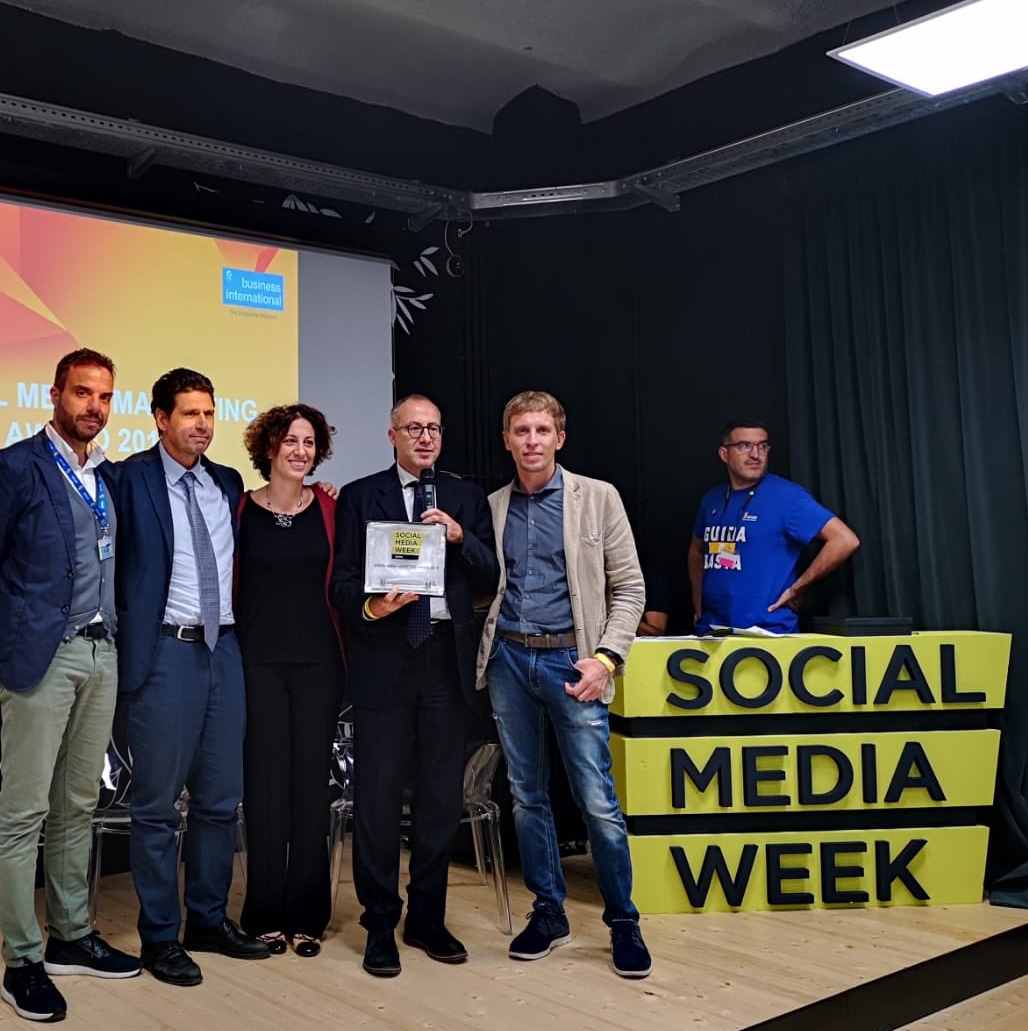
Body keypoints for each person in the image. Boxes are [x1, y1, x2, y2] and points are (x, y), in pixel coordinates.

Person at [0, 348, 141, 1023]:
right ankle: (21, 962)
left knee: (77, 805)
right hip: (40, 660)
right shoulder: (15, 467)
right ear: (55, 394)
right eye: (83, 392)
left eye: (105, 396)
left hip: (101, 655)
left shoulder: (110, 476)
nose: (95, 406)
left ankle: (71, 938)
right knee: (24, 813)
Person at [475, 390, 651, 978]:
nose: (532, 441)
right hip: (509, 661)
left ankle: (623, 921)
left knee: (596, 799)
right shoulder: (493, 506)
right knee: (526, 795)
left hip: (575, 664)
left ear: (560, 438)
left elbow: (630, 588)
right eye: (521, 431)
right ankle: (549, 912)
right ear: (507, 440)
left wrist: (606, 659)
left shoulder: (597, 498)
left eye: (542, 430)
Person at [330, 394, 498, 977]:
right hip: (385, 657)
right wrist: (373, 606)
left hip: (445, 662)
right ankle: (379, 922)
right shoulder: (360, 496)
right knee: (376, 797)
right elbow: (341, 583)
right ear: (392, 436)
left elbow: (491, 573)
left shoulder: (465, 497)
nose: (425, 438)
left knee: (439, 798)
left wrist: (460, 537)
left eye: (433, 429)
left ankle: (427, 918)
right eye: (413, 429)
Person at [111, 368, 270, 986]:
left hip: (224, 650)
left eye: (208, 413)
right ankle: (159, 937)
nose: (202, 424)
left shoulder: (226, 482)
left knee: (220, 800)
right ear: (160, 418)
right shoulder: (129, 479)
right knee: (156, 807)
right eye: (189, 414)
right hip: (165, 653)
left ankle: (207, 920)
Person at [235, 403, 344, 958]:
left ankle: (307, 915)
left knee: (310, 788)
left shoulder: (330, 507)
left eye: (309, 442)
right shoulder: (238, 508)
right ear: (270, 447)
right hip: (255, 664)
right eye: (291, 440)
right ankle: (262, 913)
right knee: (264, 788)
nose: (300, 451)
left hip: (319, 664)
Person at [689, 421, 860, 635]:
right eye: (744, 446)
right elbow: (696, 550)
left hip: (767, 632)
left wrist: (799, 588)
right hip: (713, 630)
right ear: (724, 454)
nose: (755, 454)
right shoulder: (711, 499)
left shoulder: (787, 497)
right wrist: (697, 597)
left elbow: (845, 540)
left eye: (762, 446)